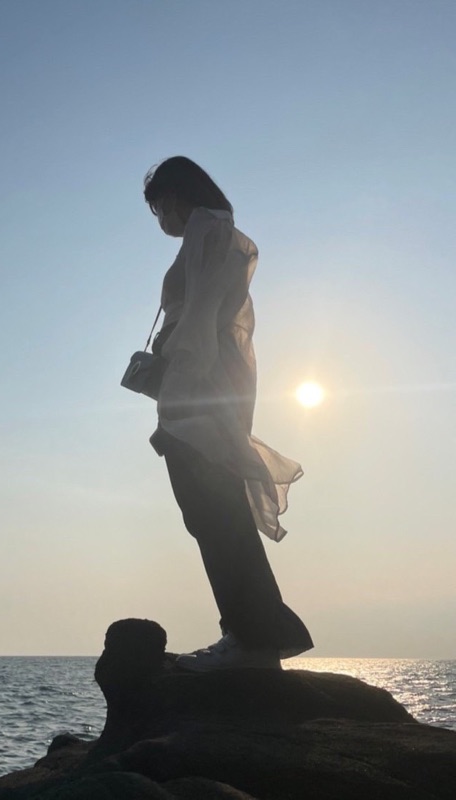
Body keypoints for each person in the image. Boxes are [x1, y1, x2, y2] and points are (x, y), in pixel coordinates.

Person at [142, 156, 313, 671]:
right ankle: (254, 635)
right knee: (217, 513)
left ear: (174, 196)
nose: (160, 220)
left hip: (198, 391)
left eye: (157, 208)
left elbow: (199, 317)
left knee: (213, 513)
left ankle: (251, 640)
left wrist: (176, 381)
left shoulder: (207, 230)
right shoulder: (220, 232)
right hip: (211, 387)